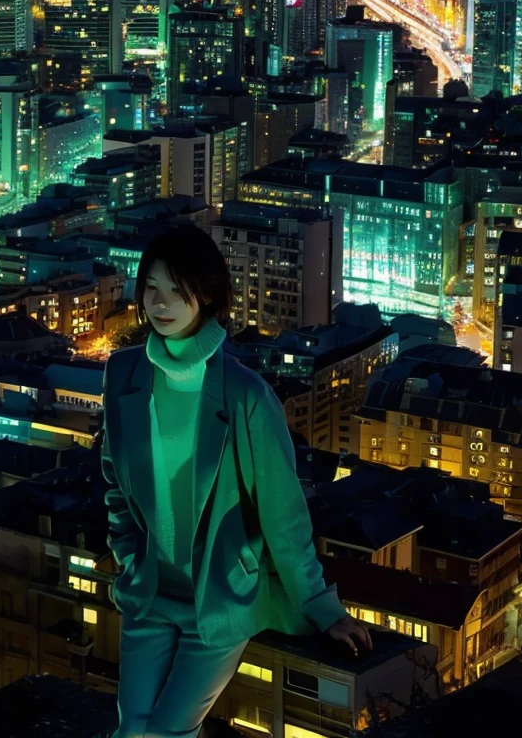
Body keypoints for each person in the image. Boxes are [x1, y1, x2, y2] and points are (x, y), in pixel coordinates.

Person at [100, 223, 371, 738]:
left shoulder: (246, 395)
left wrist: (323, 609)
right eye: (151, 287)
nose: (160, 302)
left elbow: (283, 514)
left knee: (166, 733)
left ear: (206, 295)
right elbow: (115, 478)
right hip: (151, 592)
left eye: (177, 290)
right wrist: (129, 556)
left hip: (219, 600)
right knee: (131, 728)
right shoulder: (122, 373)